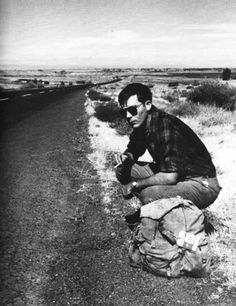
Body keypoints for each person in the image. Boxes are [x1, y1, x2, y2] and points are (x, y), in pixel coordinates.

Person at [115, 83, 221, 222]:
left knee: (149, 194)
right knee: (123, 169)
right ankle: (163, 208)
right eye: (124, 112)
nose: (128, 116)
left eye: (133, 110)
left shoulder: (166, 125)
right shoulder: (142, 122)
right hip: (177, 175)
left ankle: (178, 220)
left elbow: (170, 177)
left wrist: (136, 184)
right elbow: (135, 149)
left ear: (147, 105)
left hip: (201, 184)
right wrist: (126, 157)